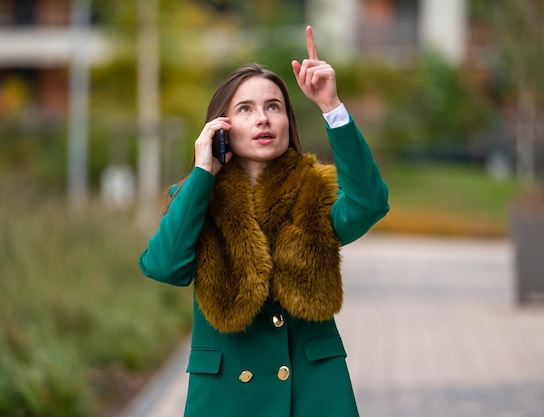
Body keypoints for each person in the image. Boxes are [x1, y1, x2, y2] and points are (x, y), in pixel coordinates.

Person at [138, 26, 389, 417]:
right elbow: (164, 266)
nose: (263, 119)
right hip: (226, 398)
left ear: (288, 120)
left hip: (313, 392)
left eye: (274, 106)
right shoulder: (195, 199)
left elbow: (369, 204)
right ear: (221, 127)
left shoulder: (315, 191)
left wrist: (331, 106)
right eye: (246, 109)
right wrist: (204, 171)